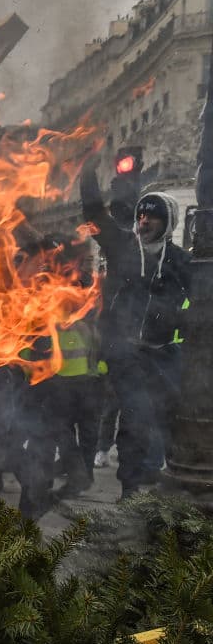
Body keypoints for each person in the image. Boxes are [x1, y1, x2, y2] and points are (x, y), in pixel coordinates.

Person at [82, 165, 191, 499]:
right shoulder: (123, 248)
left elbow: (200, 302)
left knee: (174, 416)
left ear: (167, 223)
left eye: (152, 217)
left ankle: (175, 480)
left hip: (161, 353)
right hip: (125, 353)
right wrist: (88, 168)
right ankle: (129, 489)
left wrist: (178, 325)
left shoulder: (179, 261)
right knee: (135, 417)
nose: (144, 221)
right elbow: (94, 215)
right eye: (141, 215)